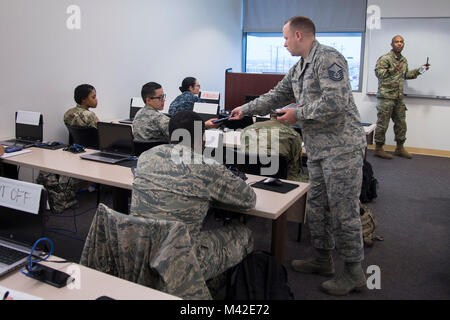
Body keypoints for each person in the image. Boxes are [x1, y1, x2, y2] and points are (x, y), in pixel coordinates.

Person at [230, 16, 367, 296]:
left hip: (342, 147)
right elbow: (277, 94)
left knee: (343, 211)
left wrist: (297, 114)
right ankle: (322, 259)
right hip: (318, 149)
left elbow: (336, 103)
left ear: (300, 35)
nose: (283, 43)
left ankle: (354, 272)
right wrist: (245, 110)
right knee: (317, 207)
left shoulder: (328, 59)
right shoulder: (300, 67)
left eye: (286, 37)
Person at [130, 110, 255, 282]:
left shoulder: (146, 157)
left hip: (138, 249)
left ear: (169, 134)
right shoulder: (206, 166)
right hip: (180, 260)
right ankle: (214, 286)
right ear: (202, 138)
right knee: (244, 234)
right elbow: (248, 200)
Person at [374, 35, 430, 159]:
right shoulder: (385, 58)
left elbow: (406, 75)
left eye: (401, 42)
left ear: (403, 44)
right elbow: (379, 73)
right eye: (396, 42)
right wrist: (392, 70)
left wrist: (421, 70)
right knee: (383, 124)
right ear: (391, 44)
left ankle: (399, 148)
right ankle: (378, 148)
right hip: (386, 97)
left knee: (401, 123)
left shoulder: (403, 60)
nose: (399, 44)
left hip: (398, 97)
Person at [133, 82, 220, 142]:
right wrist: (205, 125)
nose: (164, 100)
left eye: (163, 96)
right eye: (160, 97)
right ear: (148, 100)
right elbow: (182, 133)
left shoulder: (138, 114)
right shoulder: (159, 118)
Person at [240, 111, 307, 182]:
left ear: (271, 115)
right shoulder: (293, 135)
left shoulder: (247, 129)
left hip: (251, 177)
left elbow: (244, 152)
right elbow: (295, 166)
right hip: (282, 181)